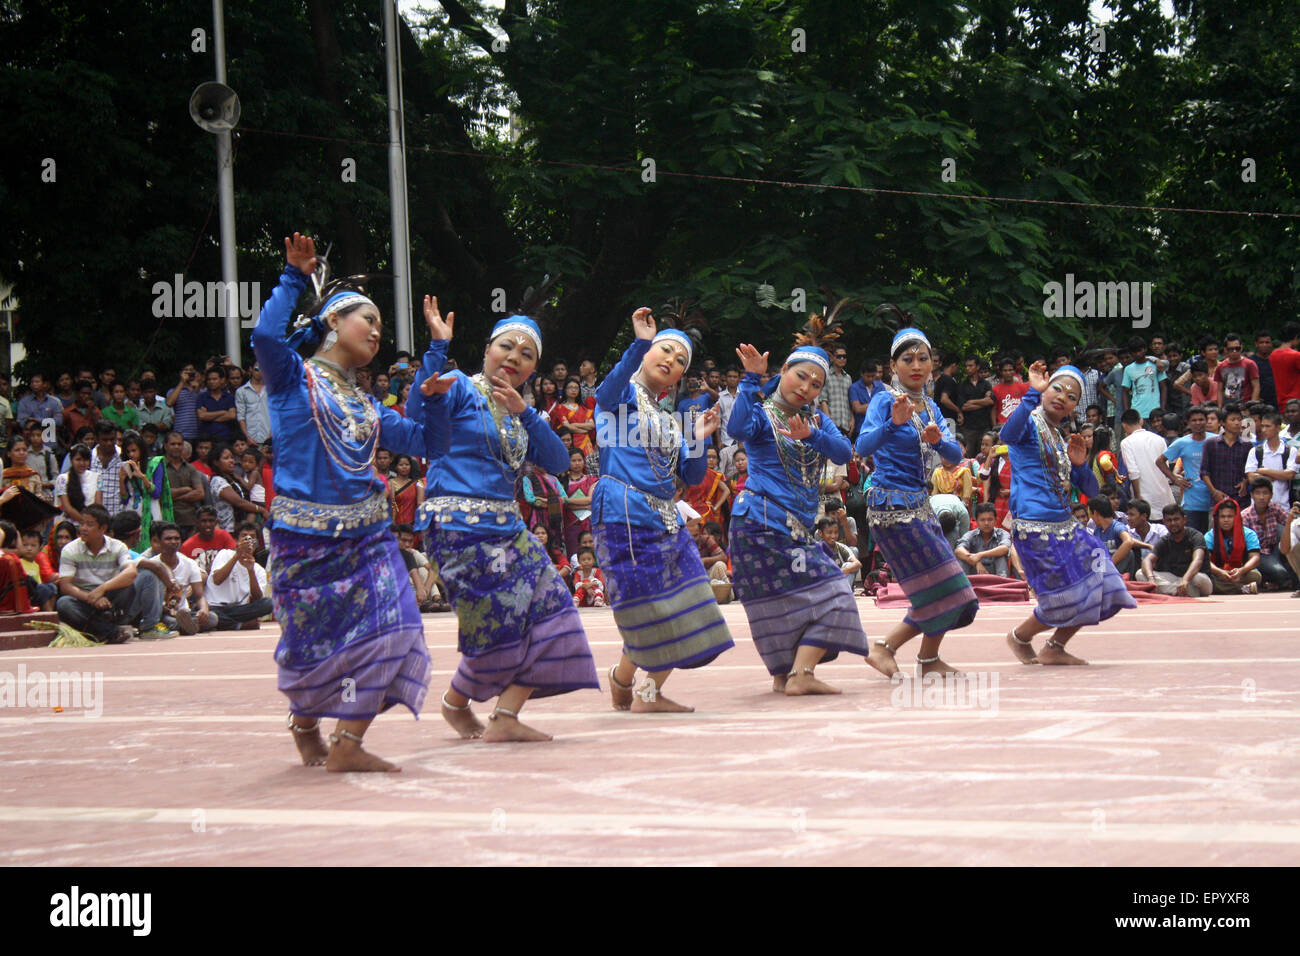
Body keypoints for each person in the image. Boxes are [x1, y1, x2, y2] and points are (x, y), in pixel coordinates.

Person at [252, 232, 447, 772]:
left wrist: (432, 375)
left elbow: (420, 441)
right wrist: (294, 275)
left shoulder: (364, 404)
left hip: (369, 538)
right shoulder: (292, 379)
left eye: (382, 327)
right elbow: (265, 337)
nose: (379, 333)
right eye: (371, 320)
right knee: (313, 649)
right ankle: (306, 721)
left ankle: (348, 744)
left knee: (400, 629)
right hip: (304, 538)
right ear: (334, 321)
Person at [404, 306, 599, 742]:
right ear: (488, 349)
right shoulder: (459, 389)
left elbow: (558, 461)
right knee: (498, 624)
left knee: (555, 610)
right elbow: (419, 409)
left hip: (509, 531)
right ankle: (458, 704)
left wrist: (526, 413)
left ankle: (504, 716)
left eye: (526, 354)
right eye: (506, 346)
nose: (514, 357)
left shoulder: (519, 412)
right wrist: (438, 347)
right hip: (458, 527)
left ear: (533, 368)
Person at [592, 308, 733, 712]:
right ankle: (642, 692)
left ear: (678, 378)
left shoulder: (671, 420)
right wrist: (638, 342)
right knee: (648, 603)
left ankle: (627, 682)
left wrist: (698, 439)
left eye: (680, 361)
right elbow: (604, 393)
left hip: (663, 516)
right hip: (622, 509)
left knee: (687, 598)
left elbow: (689, 475)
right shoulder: (622, 394)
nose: (671, 360)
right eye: (664, 350)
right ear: (647, 353)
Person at [856, 320, 978, 677]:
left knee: (948, 588)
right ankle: (885, 647)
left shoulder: (929, 406)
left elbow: (955, 457)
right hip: (891, 507)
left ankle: (927, 659)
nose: (916, 365)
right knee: (950, 585)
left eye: (923, 358)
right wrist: (892, 424)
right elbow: (862, 447)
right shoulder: (883, 400)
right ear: (893, 366)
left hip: (920, 504)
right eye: (907, 359)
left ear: (931, 365)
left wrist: (939, 439)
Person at [1003, 362, 1136, 666]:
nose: (1063, 397)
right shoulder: (1029, 424)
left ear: (1075, 406)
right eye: (1057, 389)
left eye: (1072, 396)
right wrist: (1030, 394)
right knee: (1063, 595)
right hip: (1034, 525)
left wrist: (1079, 464)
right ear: (1044, 389)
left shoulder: (1061, 439)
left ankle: (1054, 645)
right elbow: (1008, 434)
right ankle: (1020, 636)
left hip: (1066, 525)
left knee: (1104, 582)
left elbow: (1091, 489)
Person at [55, 505, 166, 644]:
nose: (83, 528)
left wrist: (102, 589)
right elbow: (66, 585)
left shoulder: (117, 546)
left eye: (89, 525)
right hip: (84, 599)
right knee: (64, 603)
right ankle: (110, 631)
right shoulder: (70, 549)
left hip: (110, 598)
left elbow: (131, 572)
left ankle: (107, 627)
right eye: (81, 523)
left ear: (103, 529)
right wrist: (91, 598)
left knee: (139, 580)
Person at [206, 523, 273, 630]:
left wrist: (251, 571)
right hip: (215, 606)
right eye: (244, 536)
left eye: (252, 537)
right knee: (210, 614)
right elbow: (217, 580)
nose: (248, 540)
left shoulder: (258, 569)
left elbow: (257, 598)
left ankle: (225, 623)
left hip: (238, 609)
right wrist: (237, 555)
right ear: (237, 541)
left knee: (268, 604)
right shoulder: (225, 554)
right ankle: (238, 625)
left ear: (256, 543)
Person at [1241, 478, 1298, 590]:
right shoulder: (1245, 516)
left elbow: (1290, 522)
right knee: (1280, 573)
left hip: (1274, 550)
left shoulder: (1274, 508)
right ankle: (1273, 581)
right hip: (1258, 554)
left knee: (1288, 532)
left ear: (1271, 495)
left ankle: (1278, 581)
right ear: (1252, 495)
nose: (1262, 497)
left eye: (1265, 493)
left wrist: (1293, 515)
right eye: (1258, 493)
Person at [1119, 407, 1176, 517]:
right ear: (1141, 421)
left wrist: (1138, 498)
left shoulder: (1126, 443)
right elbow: (1166, 466)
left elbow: (1133, 472)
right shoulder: (1159, 439)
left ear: (1124, 425)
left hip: (1144, 497)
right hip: (1164, 495)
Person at [1204, 497, 1262, 594]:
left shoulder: (1248, 534)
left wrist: (1241, 571)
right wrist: (1220, 572)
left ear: (1236, 517)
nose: (1226, 520)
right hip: (1218, 573)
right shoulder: (1210, 536)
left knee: (1256, 576)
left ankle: (1225, 588)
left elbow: (1255, 558)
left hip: (1240, 572)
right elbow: (1206, 561)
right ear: (1217, 518)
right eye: (1222, 516)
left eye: (1230, 516)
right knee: (1205, 578)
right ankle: (1244, 588)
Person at [1201, 404, 1251, 509]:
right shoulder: (1211, 444)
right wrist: (1214, 492)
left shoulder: (1247, 445)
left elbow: (1250, 469)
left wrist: (1245, 482)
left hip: (1241, 498)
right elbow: (1204, 472)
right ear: (1223, 423)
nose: (1237, 423)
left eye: (1239, 419)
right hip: (1218, 497)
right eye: (1232, 420)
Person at [956, 502, 1013, 577]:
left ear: (996, 520)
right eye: (982, 520)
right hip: (975, 571)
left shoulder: (1002, 533)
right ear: (977, 521)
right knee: (963, 558)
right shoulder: (971, 535)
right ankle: (964, 587)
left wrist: (980, 555)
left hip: (996, 572)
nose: (986, 523)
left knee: (1001, 557)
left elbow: (1005, 548)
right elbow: (959, 550)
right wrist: (976, 561)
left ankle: (1003, 586)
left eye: (990, 519)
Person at [54, 444, 99, 524]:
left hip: (91, 525)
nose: (82, 463)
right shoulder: (62, 479)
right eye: (78, 459)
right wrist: (84, 522)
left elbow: (98, 505)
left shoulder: (97, 477)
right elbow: (67, 508)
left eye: (85, 460)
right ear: (71, 460)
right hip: (68, 525)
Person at [196, 366, 238, 443]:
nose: (211, 382)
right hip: (207, 438)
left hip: (226, 437)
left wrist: (209, 417)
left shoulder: (229, 397)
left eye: (214, 379)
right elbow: (202, 416)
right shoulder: (202, 397)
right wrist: (223, 412)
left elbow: (232, 415)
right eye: (209, 379)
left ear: (222, 380)